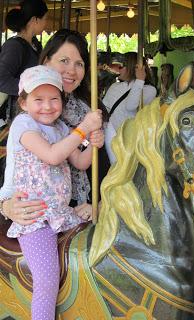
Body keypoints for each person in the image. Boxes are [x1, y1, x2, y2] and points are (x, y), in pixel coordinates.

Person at [5, 65, 102, 320]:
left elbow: (80, 162)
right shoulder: (23, 126)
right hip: (35, 217)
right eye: (38, 99)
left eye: (54, 99)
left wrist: (92, 142)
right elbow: (52, 155)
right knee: (47, 280)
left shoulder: (60, 128)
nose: (47, 106)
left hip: (59, 212)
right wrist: (83, 129)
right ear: (24, 103)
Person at [0, 29, 107, 224]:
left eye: (79, 64)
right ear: (46, 62)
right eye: (64, 61)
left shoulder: (92, 114)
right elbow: (42, 159)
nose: (71, 70)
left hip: (75, 212)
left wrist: (94, 141)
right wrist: (6, 204)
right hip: (36, 213)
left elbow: (96, 164)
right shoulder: (27, 121)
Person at [0, 0, 48, 185]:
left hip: (28, 113)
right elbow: (2, 78)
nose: (46, 23)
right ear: (34, 20)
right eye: (45, 19)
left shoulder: (33, 45)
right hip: (15, 115)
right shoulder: (15, 46)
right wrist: (29, 92)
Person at [102, 52, 157, 163]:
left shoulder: (149, 89)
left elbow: (131, 106)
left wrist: (140, 80)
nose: (118, 70)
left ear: (133, 68)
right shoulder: (115, 86)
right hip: (110, 133)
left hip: (130, 138)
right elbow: (105, 108)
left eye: (121, 67)